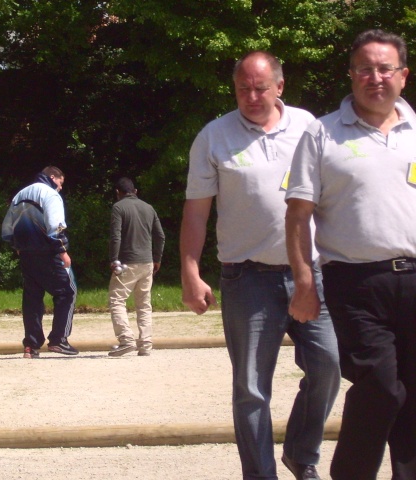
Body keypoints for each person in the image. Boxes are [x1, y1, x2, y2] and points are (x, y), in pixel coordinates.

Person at [180, 50, 341, 480]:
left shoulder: (311, 128)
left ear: (280, 87)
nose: (251, 96)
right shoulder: (213, 137)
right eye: (243, 88)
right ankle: (261, 475)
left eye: (260, 87)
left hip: (310, 273)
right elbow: (197, 212)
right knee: (251, 388)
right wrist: (190, 272)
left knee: (328, 367)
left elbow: (336, 195)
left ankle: (301, 453)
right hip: (246, 277)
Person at [285, 29, 416, 480]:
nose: (374, 77)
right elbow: (298, 215)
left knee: (413, 393)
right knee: (380, 388)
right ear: (351, 75)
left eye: (385, 68)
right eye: (364, 68)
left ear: (403, 75)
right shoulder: (321, 133)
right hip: (356, 283)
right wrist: (304, 281)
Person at [1, 166, 78, 358]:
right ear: (52, 177)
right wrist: (62, 251)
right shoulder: (50, 194)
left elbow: (7, 227)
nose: (60, 188)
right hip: (47, 252)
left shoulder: (20, 194)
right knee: (67, 293)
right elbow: (56, 226)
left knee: (32, 299)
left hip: (26, 254)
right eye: (60, 183)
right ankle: (59, 340)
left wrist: (16, 246)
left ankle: (31, 346)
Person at [107, 177, 165, 357]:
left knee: (117, 300)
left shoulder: (118, 207)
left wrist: (113, 259)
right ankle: (146, 344)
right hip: (148, 262)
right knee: (144, 304)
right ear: (136, 191)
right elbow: (160, 236)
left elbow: (116, 236)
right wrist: (157, 258)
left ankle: (126, 340)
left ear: (118, 192)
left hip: (126, 262)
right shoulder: (148, 208)